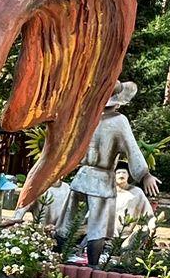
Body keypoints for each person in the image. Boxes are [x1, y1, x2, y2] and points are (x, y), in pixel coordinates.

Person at [66, 80, 158, 254]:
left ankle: (56, 258)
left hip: (81, 176)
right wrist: (144, 174)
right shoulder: (119, 121)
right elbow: (132, 149)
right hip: (100, 179)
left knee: (69, 219)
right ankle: (92, 267)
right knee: (98, 227)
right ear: (118, 102)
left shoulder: (85, 117)